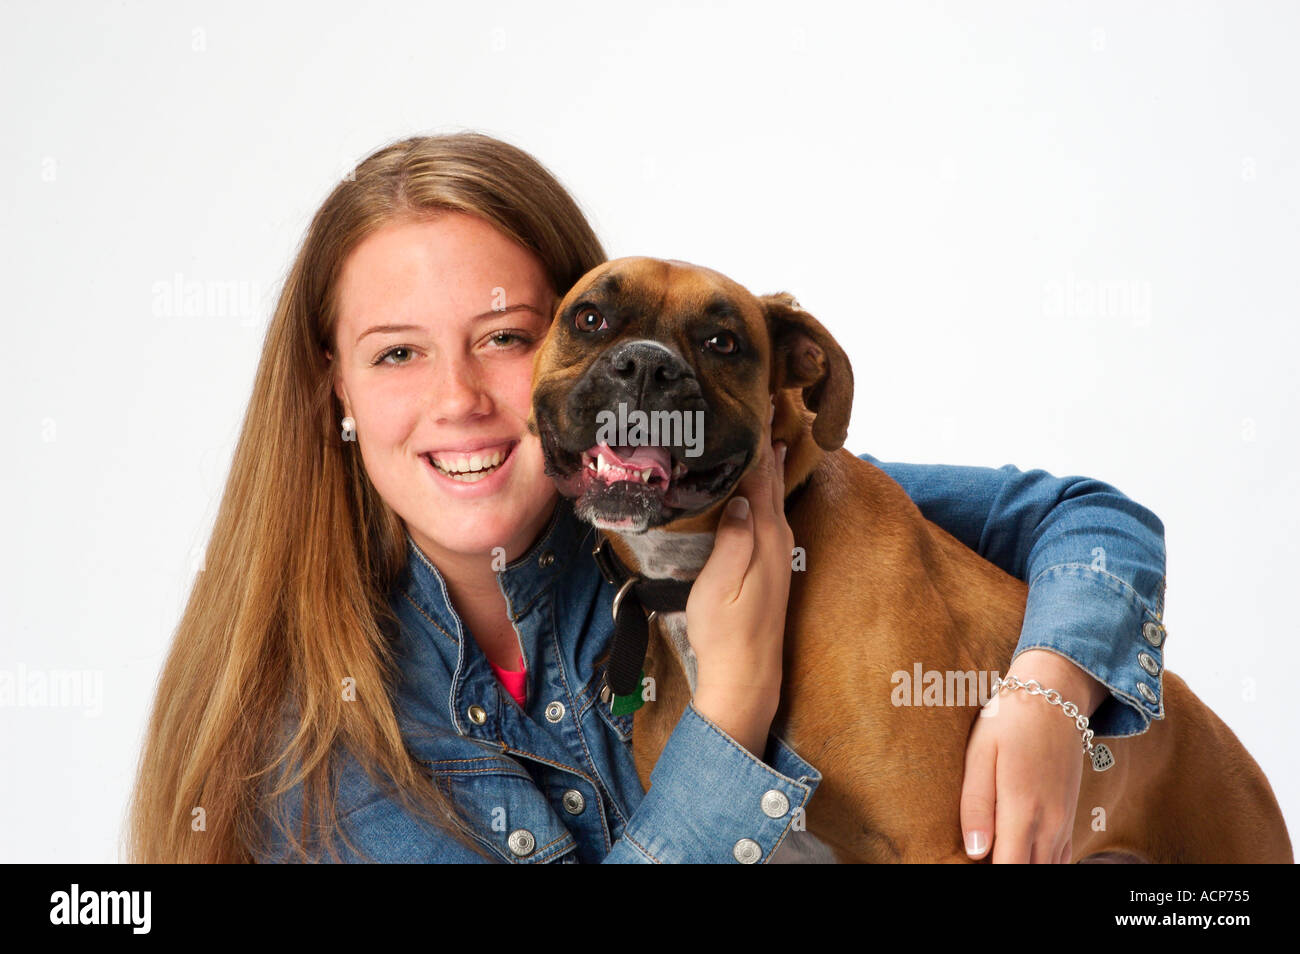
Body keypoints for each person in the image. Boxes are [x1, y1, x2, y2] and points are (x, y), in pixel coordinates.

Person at [126, 132, 1168, 864]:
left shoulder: (733, 508)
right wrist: (730, 705)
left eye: (503, 338)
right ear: (333, 391)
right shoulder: (313, 747)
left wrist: (1049, 691)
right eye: (397, 353)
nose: (458, 400)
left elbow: (1082, 514)